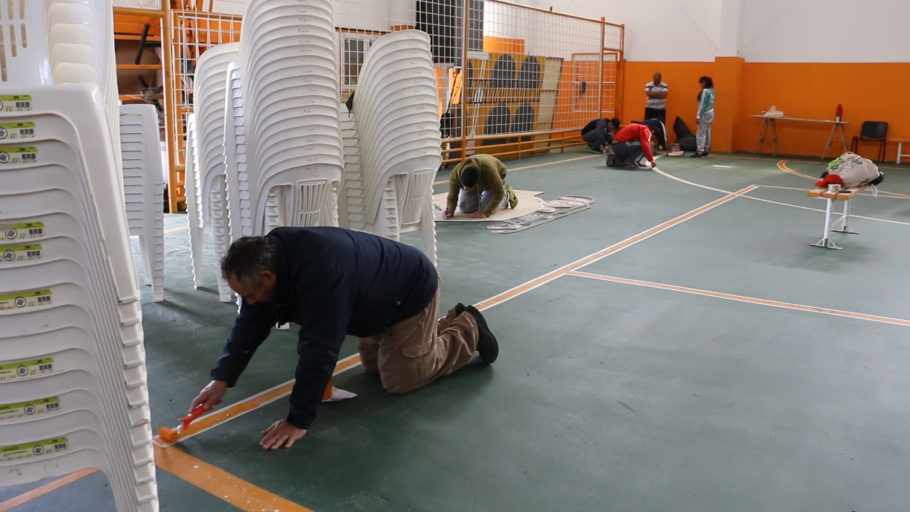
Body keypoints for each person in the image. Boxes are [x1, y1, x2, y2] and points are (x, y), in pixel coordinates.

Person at [191, 227, 500, 450]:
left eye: (250, 295)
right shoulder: (269, 265)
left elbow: (319, 348)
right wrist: (221, 378)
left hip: (410, 293)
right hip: (373, 304)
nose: (251, 302)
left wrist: (298, 420)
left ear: (268, 278)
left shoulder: (321, 273)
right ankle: (431, 330)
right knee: (374, 368)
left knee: (401, 379)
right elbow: (249, 324)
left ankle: (467, 327)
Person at [444, 154, 518, 219]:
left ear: (477, 183)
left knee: (485, 208)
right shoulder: (454, 177)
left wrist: (486, 212)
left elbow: (499, 193)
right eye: (465, 188)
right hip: (477, 180)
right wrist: (449, 210)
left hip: (498, 174)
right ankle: (484, 197)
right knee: (466, 209)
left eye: (470, 188)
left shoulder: (489, 171)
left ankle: (507, 195)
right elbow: (452, 196)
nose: (467, 190)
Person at [691, 75, 715, 158]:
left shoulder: (705, 91)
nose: (700, 85)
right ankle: (706, 149)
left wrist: (698, 116)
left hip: (704, 113)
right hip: (711, 112)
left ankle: (699, 151)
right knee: (707, 132)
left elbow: (702, 104)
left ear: (705, 83)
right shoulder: (712, 91)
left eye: (701, 83)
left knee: (701, 133)